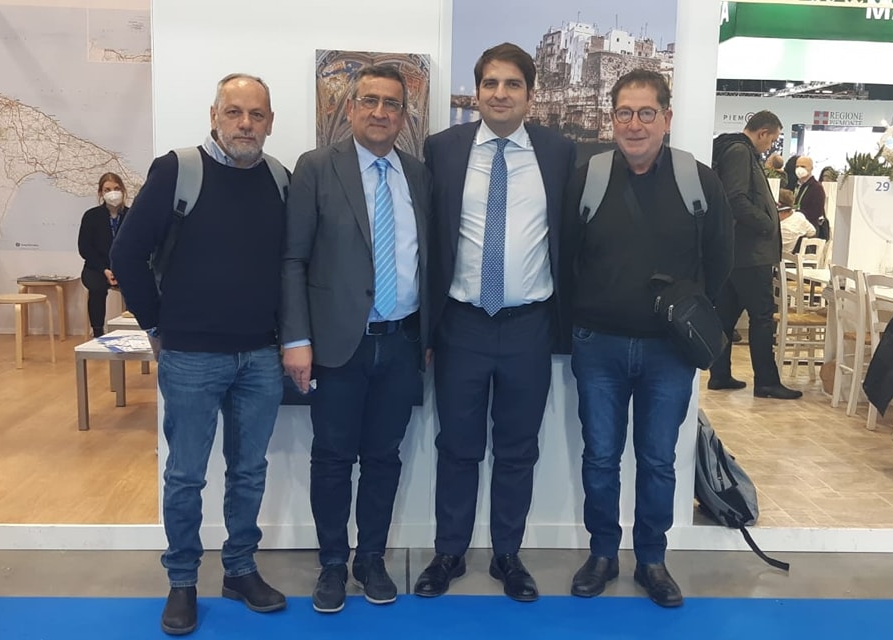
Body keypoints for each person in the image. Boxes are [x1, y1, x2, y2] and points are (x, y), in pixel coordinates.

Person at [110, 73, 288, 636]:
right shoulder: (177, 170)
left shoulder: (279, 179)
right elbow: (126, 253)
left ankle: (240, 570)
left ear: (270, 122)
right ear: (214, 115)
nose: (245, 124)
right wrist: (155, 324)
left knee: (249, 471)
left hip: (260, 356)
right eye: (234, 112)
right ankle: (183, 581)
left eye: (256, 115)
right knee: (186, 476)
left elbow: (288, 265)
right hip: (191, 356)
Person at [561, 70, 733, 608]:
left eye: (646, 113)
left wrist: (692, 322)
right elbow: (565, 258)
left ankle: (652, 560)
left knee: (659, 460)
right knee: (600, 458)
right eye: (624, 113)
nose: (634, 125)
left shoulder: (698, 182)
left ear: (667, 118)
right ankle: (602, 553)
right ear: (611, 118)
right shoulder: (588, 179)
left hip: (668, 353)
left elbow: (720, 261)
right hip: (599, 347)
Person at [416, 42, 576, 603]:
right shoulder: (443, 149)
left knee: (517, 448)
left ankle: (508, 554)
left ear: (531, 95)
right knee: (457, 446)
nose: (500, 94)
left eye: (512, 84)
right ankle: (449, 553)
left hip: (529, 325)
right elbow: (430, 239)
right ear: (478, 91)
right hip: (461, 324)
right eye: (490, 83)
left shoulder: (559, 153)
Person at [280, 65, 431, 614]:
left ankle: (371, 559)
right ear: (350, 109)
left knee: (384, 458)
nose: (380, 112)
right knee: (332, 457)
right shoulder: (317, 167)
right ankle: (331, 564)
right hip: (338, 344)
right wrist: (296, 338)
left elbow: (427, 258)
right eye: (369, 101)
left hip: (401, 344)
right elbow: (293, 259)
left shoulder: (418, 174)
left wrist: (429, 336)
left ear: (404, 115)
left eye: (391, 104)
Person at [709, 111, 803, 400]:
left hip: (737, 252)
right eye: (772, 140)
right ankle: (766, 382)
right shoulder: (740, 152)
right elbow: (735, 198)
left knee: (725, 316)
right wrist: (766, 223)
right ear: (762, 133)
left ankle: (720, 375)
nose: (770, 146)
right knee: (762, 317)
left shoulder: (734, 150)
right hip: (750, 254)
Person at [77, 173, 129, 337]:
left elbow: (138, 245)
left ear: (123, 191)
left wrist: (121, 269)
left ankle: (135, 328)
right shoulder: (91, 216)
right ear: (101, 193)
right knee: (97, 289)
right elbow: (85, 249)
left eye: (116, 188)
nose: (113, 193)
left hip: (125, 266)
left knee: (136, 286)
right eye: (107, 189)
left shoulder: (132, 215)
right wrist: (105, 270)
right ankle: (98, 331)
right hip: (97, 268)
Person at [793, 156, 828, 240]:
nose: (799, 169)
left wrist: (798, 213)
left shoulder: (816, 187)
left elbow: (817, 211)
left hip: (810, 228)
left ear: (811, 168)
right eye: (797, 166)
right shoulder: (796, 185)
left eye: (803, 166)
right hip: (796, 226)